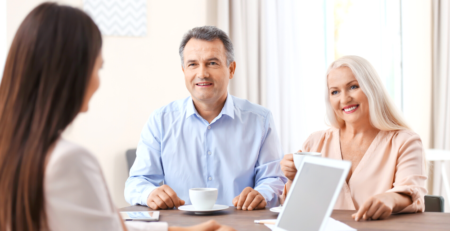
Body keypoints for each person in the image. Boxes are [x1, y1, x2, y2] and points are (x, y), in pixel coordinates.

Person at [0, 3, 234, 231]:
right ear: (72, 74)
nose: (97, 82)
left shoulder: (13, 150)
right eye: (97, 68)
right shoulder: (68, 161)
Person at [125, 26, 286, 211]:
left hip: (240, 225)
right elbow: (137, 182)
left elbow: (274, 180)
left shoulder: (260, 120)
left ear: (231, 69)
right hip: (180, 227)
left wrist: (262, 194)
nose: (202, 73)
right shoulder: (160, 121)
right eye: (193, 64)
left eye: (212, 63)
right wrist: (149, 194)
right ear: (184, 70)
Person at [280, 55, 427, 221]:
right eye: (335, 92)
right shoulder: (315, 142)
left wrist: (390, 199)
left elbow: (412, 193)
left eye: (353, 87)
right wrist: (295, 178)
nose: (344, 99)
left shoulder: (405, 142)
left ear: (372, 88)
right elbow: (296, 212)